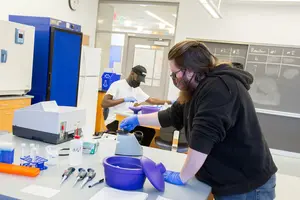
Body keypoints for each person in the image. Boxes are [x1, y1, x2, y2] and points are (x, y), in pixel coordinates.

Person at [120, 40, 277, 200]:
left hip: (246, 183)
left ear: (190, 70)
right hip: (224, 177)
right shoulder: (196, 89)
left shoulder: (219, 89)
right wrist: (138, 119)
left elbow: (203, 139)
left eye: (176, 73)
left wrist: (183, 176)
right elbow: (171, 116)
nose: (174, 78)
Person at [101, 65, 172, 146]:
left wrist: (171, 102)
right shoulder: (117, 85)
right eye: (138, 79)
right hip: (115, 120)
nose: (138, 82)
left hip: (127, 119)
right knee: (142, 132)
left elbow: (151, 100)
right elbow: (104, 103)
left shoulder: (136, 89)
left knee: (149, 132)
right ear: (132, 73)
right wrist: (123, 99)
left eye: (140, 81)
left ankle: (138, 151)